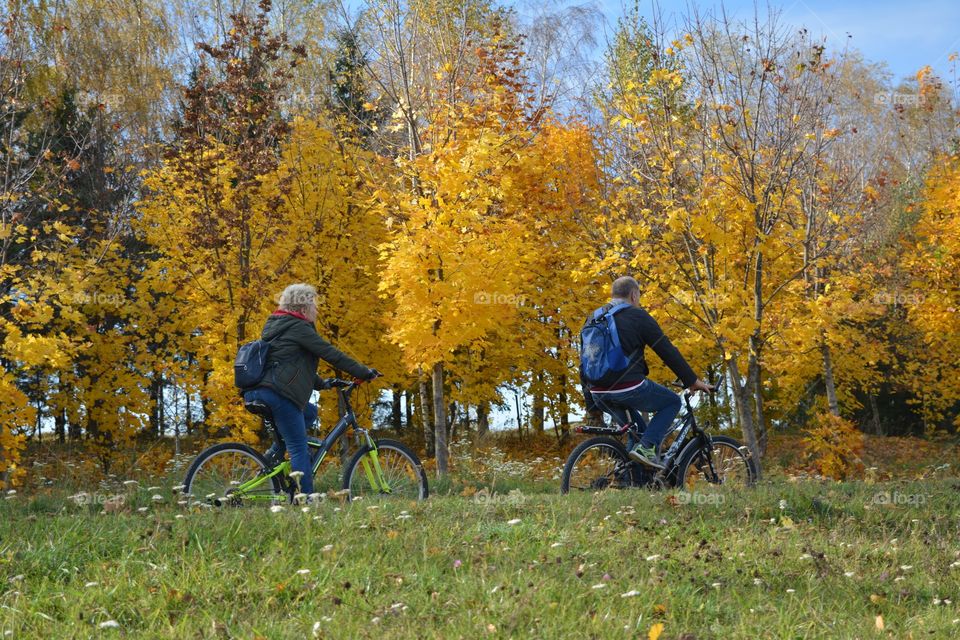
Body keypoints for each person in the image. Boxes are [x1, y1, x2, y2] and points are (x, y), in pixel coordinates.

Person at [243, 283, 379, 494]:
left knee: (310, 413)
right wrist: (364, 372)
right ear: (303, 307)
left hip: (259, 391)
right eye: (314, 305)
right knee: (298, 447)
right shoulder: (298, 327)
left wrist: (323, 383)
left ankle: (270, 462)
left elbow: (291, 366)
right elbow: (331, 353)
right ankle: (306, 502)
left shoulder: (278, 326)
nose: (316, 310)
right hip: (278, 394)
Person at [580, 276, 712, 469]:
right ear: (634, 295)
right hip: (628, 387)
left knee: (638, 432)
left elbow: (583, 362)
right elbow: (666, 350)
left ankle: (630, 478)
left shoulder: (593, 318)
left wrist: (591, 403)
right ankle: (647, 448)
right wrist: (692, 380)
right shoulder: (637, 315)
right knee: (672, 402)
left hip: (598, 392)